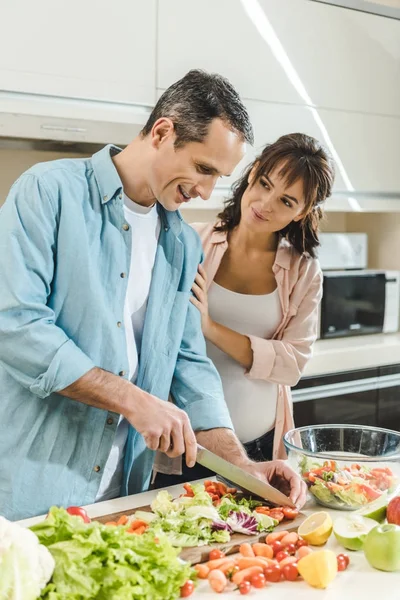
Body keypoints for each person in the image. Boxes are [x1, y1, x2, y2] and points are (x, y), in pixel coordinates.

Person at [0, 71, 307, 521]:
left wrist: (242, 467)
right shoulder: (48, 192)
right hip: (34, 492)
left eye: (217, 177)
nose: (205, 191)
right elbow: (15, 325)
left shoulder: (181, 242)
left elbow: (188, 361)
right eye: (203, 169)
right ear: (163, 132)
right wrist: (133, 399)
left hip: (126, 495)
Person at [153, 133, 335, 486]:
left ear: (303, 212)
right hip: (185, 442)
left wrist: (210, 327)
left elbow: (291, 364)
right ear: (251, 173)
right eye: (264, 184)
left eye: (286, 201)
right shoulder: (193, 240)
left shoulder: (303, 271)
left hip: (259, 445)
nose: (265, 203)